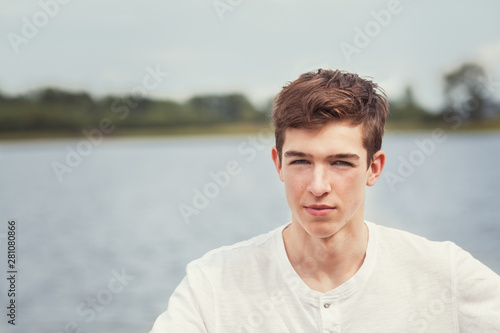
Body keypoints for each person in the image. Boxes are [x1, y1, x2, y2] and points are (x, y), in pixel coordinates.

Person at [150, 69, 500, 332]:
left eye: (340, 162)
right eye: (301, 160)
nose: (318, 186)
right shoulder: (213, 283)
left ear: (373, 168)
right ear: (278, 164)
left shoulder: (445, 274)